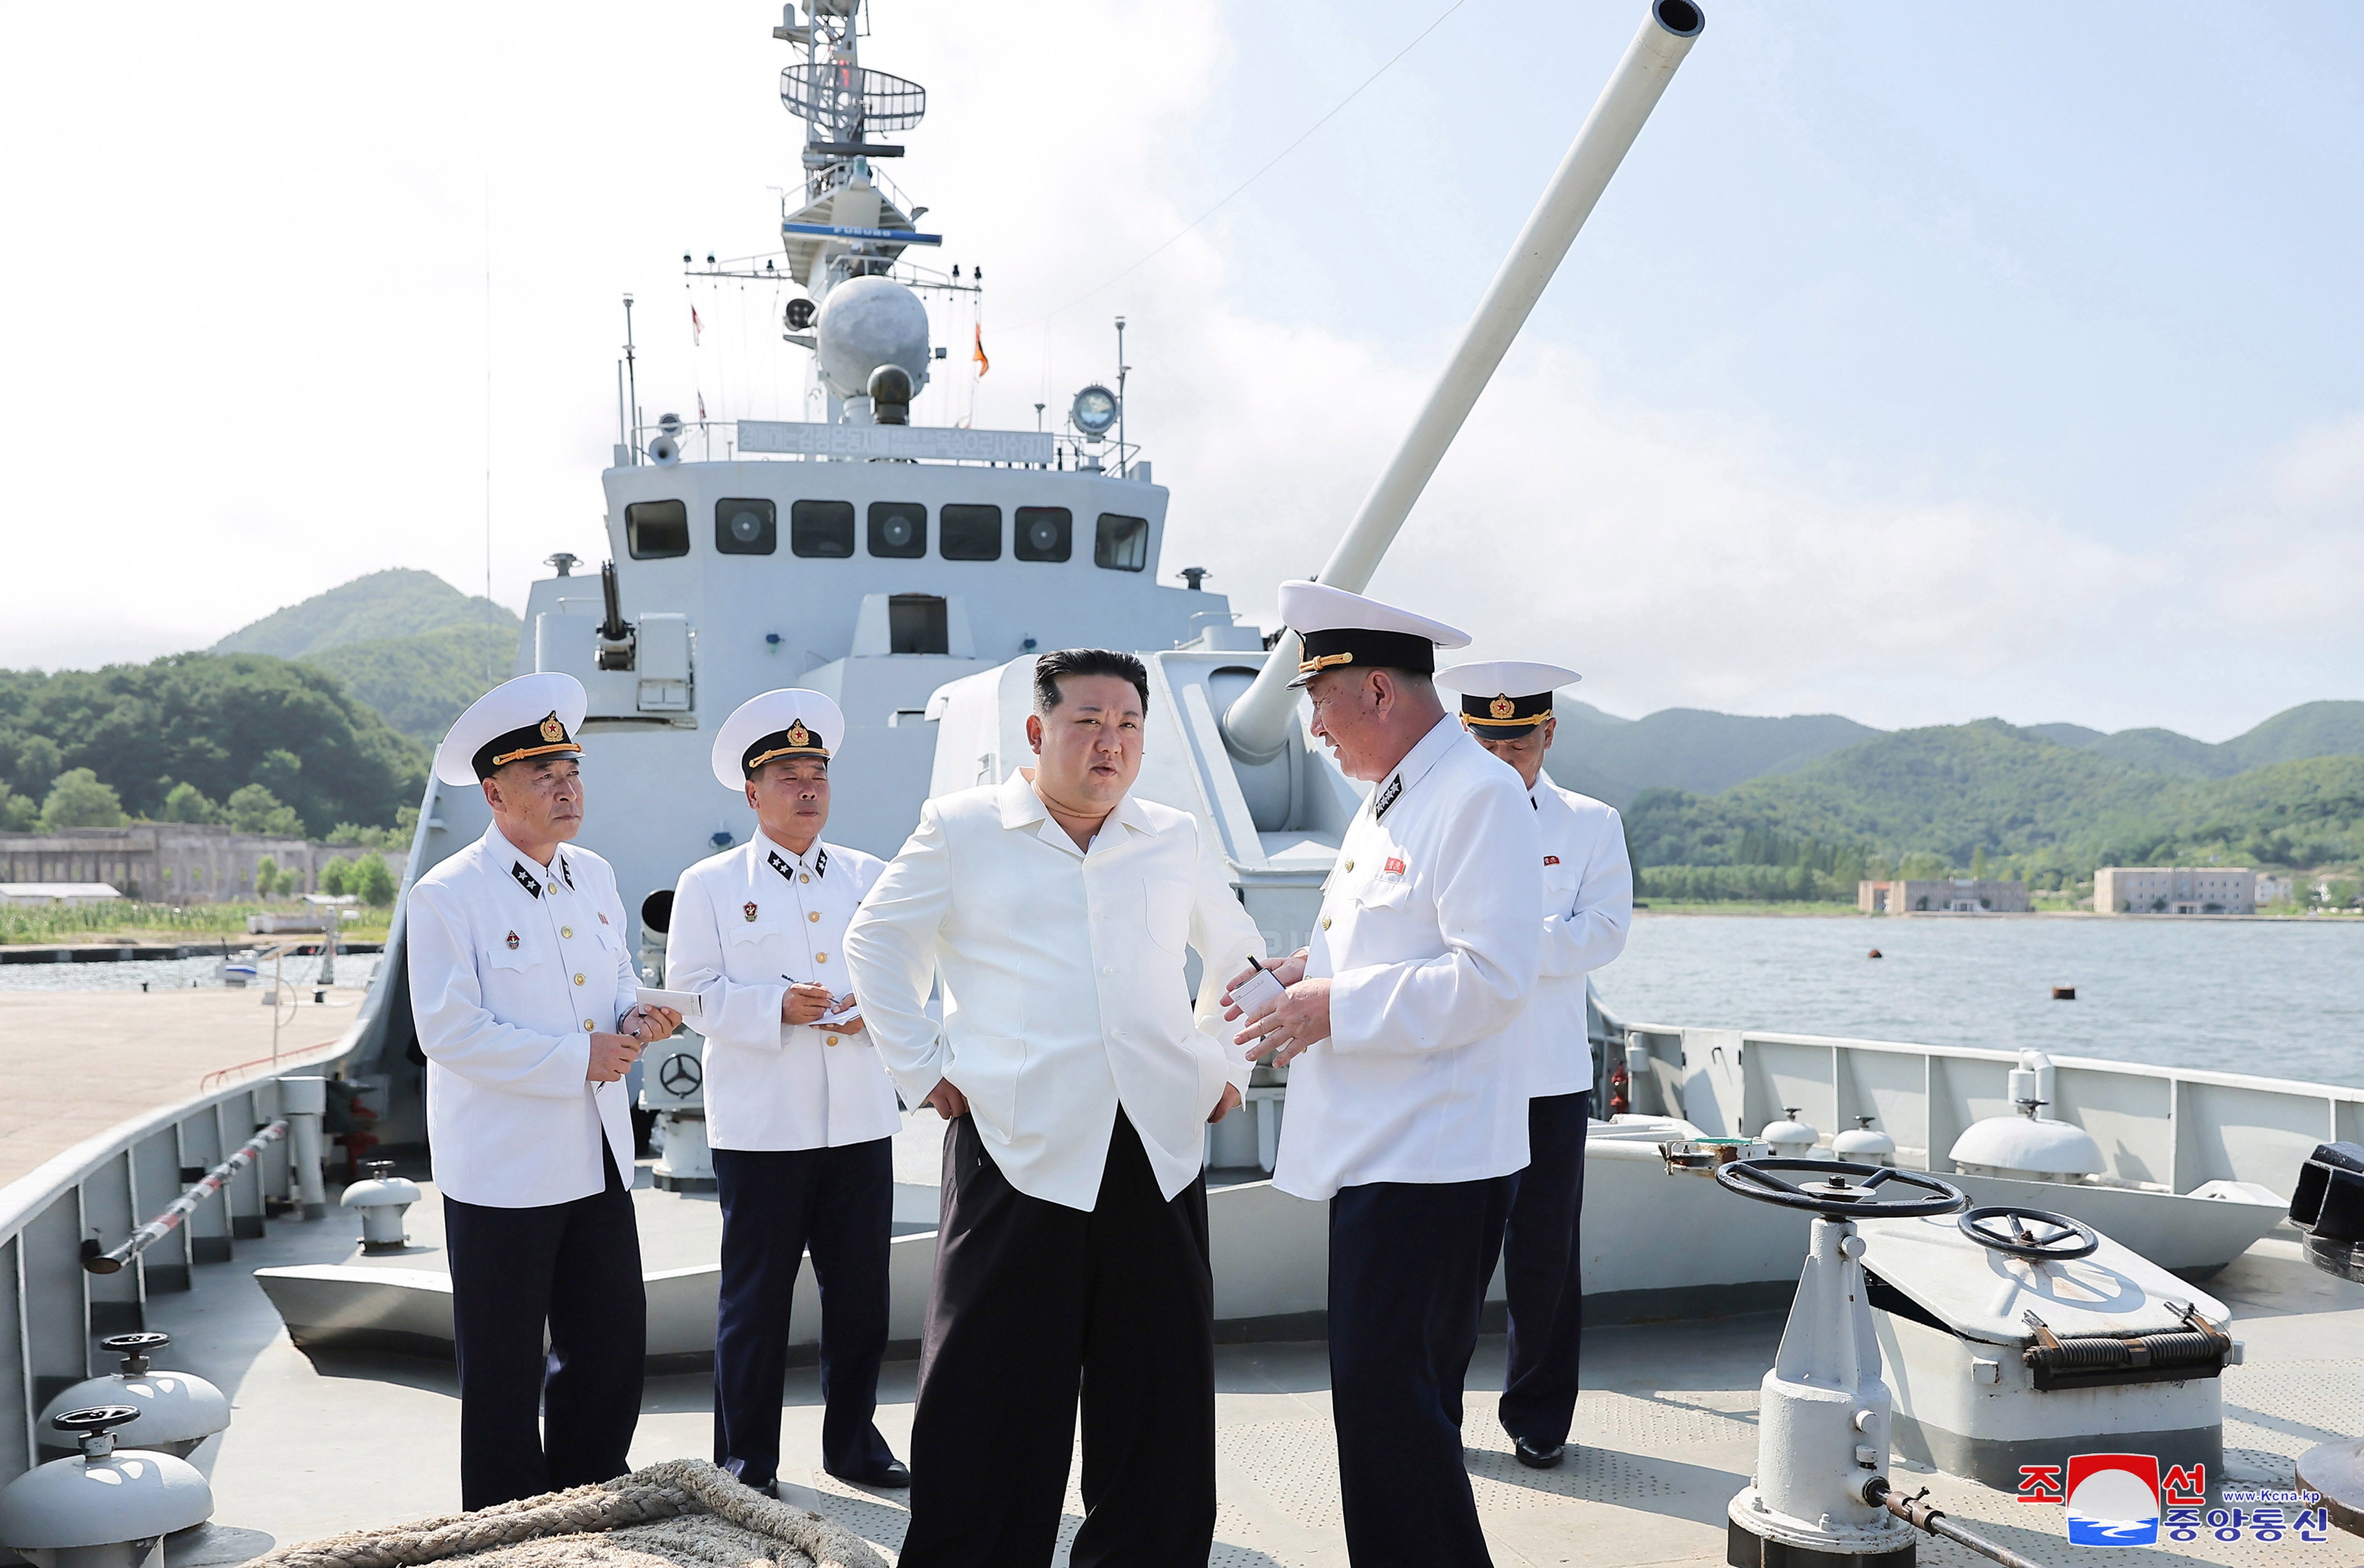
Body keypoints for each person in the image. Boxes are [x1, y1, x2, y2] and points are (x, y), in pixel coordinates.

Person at [843, 648, 1267, 1568]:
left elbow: (1238, 954)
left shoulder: (1172, 835)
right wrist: (923, 1067)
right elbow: (874, 940)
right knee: (990, 1396)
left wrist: (1227, 1066)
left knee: (1157, 1399)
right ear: (1037, 732)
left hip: (1153, 1148)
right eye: (1088, 722)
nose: (1110, 742)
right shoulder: (964, 827)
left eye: (1128, 725)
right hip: (1015, 1146)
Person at [1228, 583, 1541, 1568]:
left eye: (1320, 701)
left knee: (1390, 1407)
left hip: (1431, 1160)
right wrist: (1301, 972)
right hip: (1385, 1150)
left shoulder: (1478, 795)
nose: (1313, 729)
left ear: (1374, 691)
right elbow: (1393, 942)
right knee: (1396, 1407)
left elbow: (1493, 979)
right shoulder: (1395, 797)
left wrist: (1335, 1007)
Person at [406, 672, 681, 1509]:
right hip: (503, 1167)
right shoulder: (448, 894)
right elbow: (448, 1031)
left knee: (608, 1345)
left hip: (596, 1153)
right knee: (503, 1362)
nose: (568, 790)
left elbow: (616, 975)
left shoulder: (591, 875)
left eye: (573, 773)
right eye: (544, 777)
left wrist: (637, 1012)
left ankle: (592, 1495)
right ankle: (505, 1520)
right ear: (495, 794)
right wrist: (576, 1058)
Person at [666, 689, 909, 1495]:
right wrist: (774, 1006)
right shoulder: (708, 884)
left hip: (859, 1120)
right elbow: (690, 996)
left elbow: (909, 978)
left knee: (862, 1298)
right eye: (788, 776)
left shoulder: (871, 877)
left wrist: (872, 1013)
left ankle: (855, 1445)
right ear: (753, 792)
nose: (808, 789)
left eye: (817, 774)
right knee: (756, 1300)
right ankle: (745, 1459)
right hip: (764, 1126)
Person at [1436, 659, 1633, 1470]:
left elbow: (1605, 931)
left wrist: (1505, 945)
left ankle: (1540, 1418)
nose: (1501, 756)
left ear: (1548, 734)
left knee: (1545, 1256)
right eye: (1485, 742)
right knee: (1450, 1255)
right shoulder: (1436, 815)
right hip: (1458, 1073)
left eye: (1516, 742)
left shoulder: (1590, 823)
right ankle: (1433, 1413)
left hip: (1548, 1080)